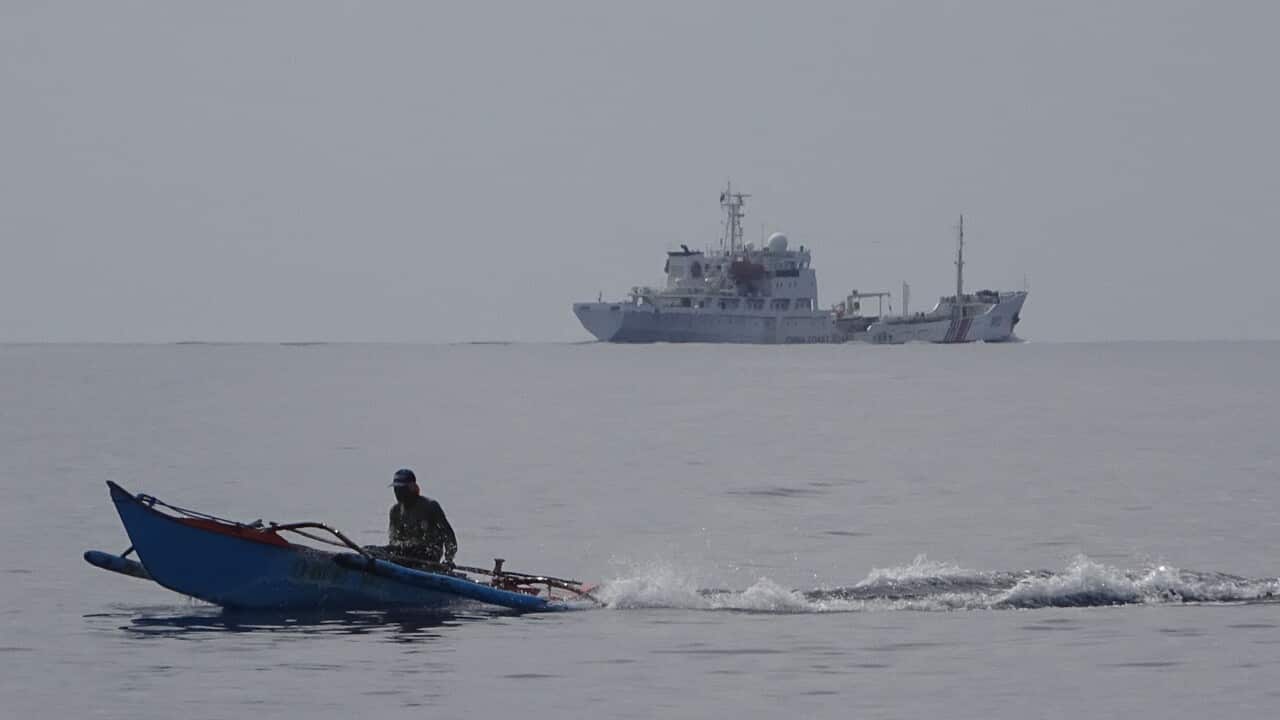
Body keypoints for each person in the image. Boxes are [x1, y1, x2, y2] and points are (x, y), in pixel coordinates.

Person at [388, 468, 457, 566]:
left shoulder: (430, 506)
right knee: (370, 549)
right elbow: (393, 539)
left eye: (402, 489)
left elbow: (449, 536)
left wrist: (448, 559)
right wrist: (403, 545)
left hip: (428, 554)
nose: (398, 493)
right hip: (403, 553)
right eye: (396, 489)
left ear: (412, 488)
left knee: (415, 550)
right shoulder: (395, 511)